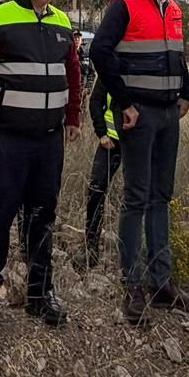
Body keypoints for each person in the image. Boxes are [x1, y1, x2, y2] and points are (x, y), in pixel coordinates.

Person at [0, 0, 82, 329]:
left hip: (48, 140)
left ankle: (39, 293)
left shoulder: (62, 21)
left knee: (42, 217)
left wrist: (74, 117)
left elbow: (73, 72)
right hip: (6, 139)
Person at [90, 0, 189, 324]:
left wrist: (187, 92)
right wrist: (125, 103)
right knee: (136, 198)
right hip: (138, 115)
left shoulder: (173, 7)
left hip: (168, 114)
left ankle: (162, 283)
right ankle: (133, 284)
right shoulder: (124, 3)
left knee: (161, 196)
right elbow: (100, 53)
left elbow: (176, 55)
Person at [78, 71, 121, 270]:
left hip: (138, 144)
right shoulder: (111, 67)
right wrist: (102, 133)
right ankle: (91, 247)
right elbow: (95, 101)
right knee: (96, 190)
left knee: (136, 197)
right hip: (110, 143)